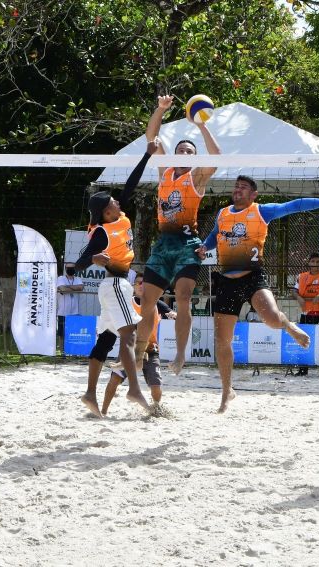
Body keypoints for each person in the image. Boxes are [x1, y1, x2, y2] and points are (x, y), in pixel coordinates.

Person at [197, 175, 319, 412]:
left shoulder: (262, 211)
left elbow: (295, 206)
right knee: (221, 342)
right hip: (226, 281)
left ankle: (290, 327)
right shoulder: (223, 213)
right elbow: (215, 234)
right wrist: (205, 246)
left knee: (273, 318)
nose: (238, 190)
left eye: (243, 188)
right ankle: (227, 391)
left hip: (252, 276)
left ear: (254, 195)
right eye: (236, 187)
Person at [135, 94, 221, 376]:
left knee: (183, 297)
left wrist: (201, 125)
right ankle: (139, 353)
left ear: (194, 157)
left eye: (188, 151)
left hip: (187, 243)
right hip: (163, 244)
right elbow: (151, 136)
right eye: (180, 150)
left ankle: (182, 355)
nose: (183, 153)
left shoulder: (196, 176)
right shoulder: (165, 170)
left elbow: (217, 158)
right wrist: (160, 109)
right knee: (147, 302)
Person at [73, 142, 157, 417]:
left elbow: (131, 184)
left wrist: (147, 155)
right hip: (115, 284)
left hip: (113, 287)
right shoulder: (101, 232)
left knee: (106, 342)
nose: (118, 201)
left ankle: (89, 394)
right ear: (105, 212)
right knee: (129, 334)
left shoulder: (119, 216)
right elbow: (78, 262)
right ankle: (133, 387)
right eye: (112, 202)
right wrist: (92, 260)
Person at [102, 273, 176, 415]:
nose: (141, 285)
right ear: (134, 287)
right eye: (138, 283)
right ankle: (102, 412)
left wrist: (174, 314)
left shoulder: (155, 303)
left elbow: (170, 311)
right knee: (114, 380)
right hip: (130, 349)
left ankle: (156, 409)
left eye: (144, 283)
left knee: (156, 386)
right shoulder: (128, 304)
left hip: (150, 349)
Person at [292, 253, 319, 377]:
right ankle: (303, 369)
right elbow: (294, 291)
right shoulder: (301, 276)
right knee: (303, 339)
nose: (315, 264)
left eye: (318, 261)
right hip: (306, 313)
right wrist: (299, 298)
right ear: (309, 263)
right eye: (313, 261)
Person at [56, 262, 84, 347]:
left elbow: (81, 287)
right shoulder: (61, 278)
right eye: (68, 268)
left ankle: (72, 352)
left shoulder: (78, 278)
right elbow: (62, 289)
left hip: (75, 312)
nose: (70, 269)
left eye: (72, 268)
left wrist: (67, 287)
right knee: (62, 334)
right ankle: (62, 352)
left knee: (74, 333)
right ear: (65, 269)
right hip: (63, 312)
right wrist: (74, 288)